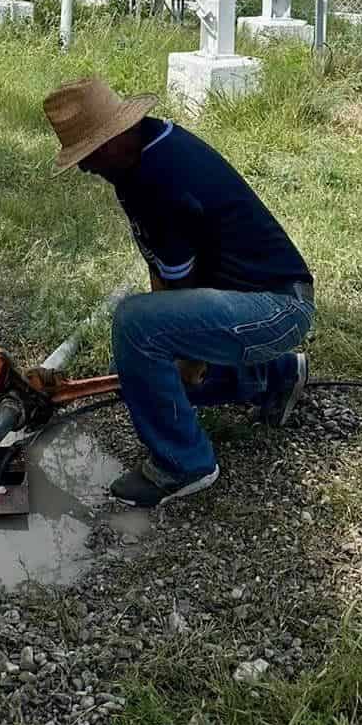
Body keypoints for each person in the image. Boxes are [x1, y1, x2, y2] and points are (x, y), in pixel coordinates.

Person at [43, 77, 314, 509]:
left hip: (275, 311)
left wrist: (185, 356)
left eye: (88, 154)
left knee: (135, 325)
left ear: (114, 137)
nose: (84, 167)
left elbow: (177, 285)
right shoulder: (142, 160)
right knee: (151, 374)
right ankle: (278, 374)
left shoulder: (158, 174)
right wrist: (175, 347)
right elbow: (164, 267)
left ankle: (184, 465)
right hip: (262, 305)